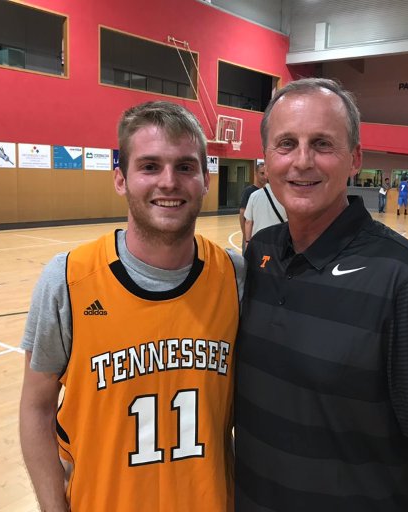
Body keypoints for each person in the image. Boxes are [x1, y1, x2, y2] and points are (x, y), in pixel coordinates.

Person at [235, 78, 408, 512]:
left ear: (355, 160)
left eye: (323, 144)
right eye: (286, 144)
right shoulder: (260, 253)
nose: (302, 161)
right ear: (267, 160)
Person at [19, 101, 245, 512]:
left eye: (185, 167)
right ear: (121, 179)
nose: (169, 182)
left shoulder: (234, 276)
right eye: (150, 166)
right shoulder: (68, 280)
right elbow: (36, 408)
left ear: (205, 179)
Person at [243, 179, 287, 249]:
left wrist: (247, 241)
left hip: (258, 241)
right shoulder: (285, 196)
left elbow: (248, 222)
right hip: (279, 241)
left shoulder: (254, 195)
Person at [239, 162, 267, 253]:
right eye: (261, 173)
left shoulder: (270, 191)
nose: (264, 176)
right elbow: (242, 215)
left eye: (266, 173)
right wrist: (245, 236)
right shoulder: (249, 192)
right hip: (250, 235)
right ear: (256, 174)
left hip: (263, 236)